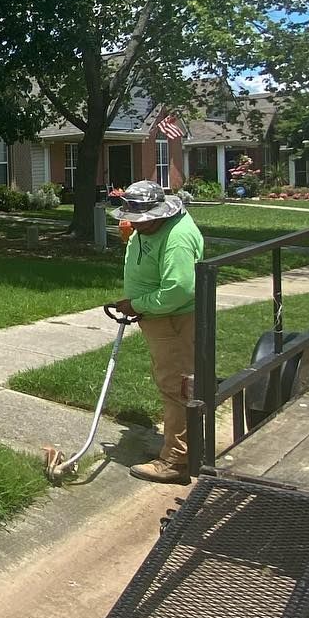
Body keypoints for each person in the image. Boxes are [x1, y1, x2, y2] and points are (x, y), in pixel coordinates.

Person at [110, 179, 205, 481]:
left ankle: (176, 461)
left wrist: (138, 304)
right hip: (160, 316)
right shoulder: (155, 226)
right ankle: (189, 450)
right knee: (176, 383)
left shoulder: (177, 237)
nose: (137, 226)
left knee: (176, 385)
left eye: (142, 221)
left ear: (160, 212)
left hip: (173, 319)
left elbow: (179, 290)